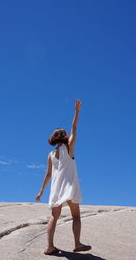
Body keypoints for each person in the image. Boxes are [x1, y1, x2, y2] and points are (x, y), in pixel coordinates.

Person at [36, 99, 92, 255]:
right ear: (65, 136)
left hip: (56, 189)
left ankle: (49, 247)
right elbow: (74, 127)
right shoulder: (69, 147)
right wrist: (77, 111)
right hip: (70, 186)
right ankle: (77, 243)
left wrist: (41, 191)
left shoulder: (50, 154)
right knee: (76, 216)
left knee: (54, 217)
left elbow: (48, 174)